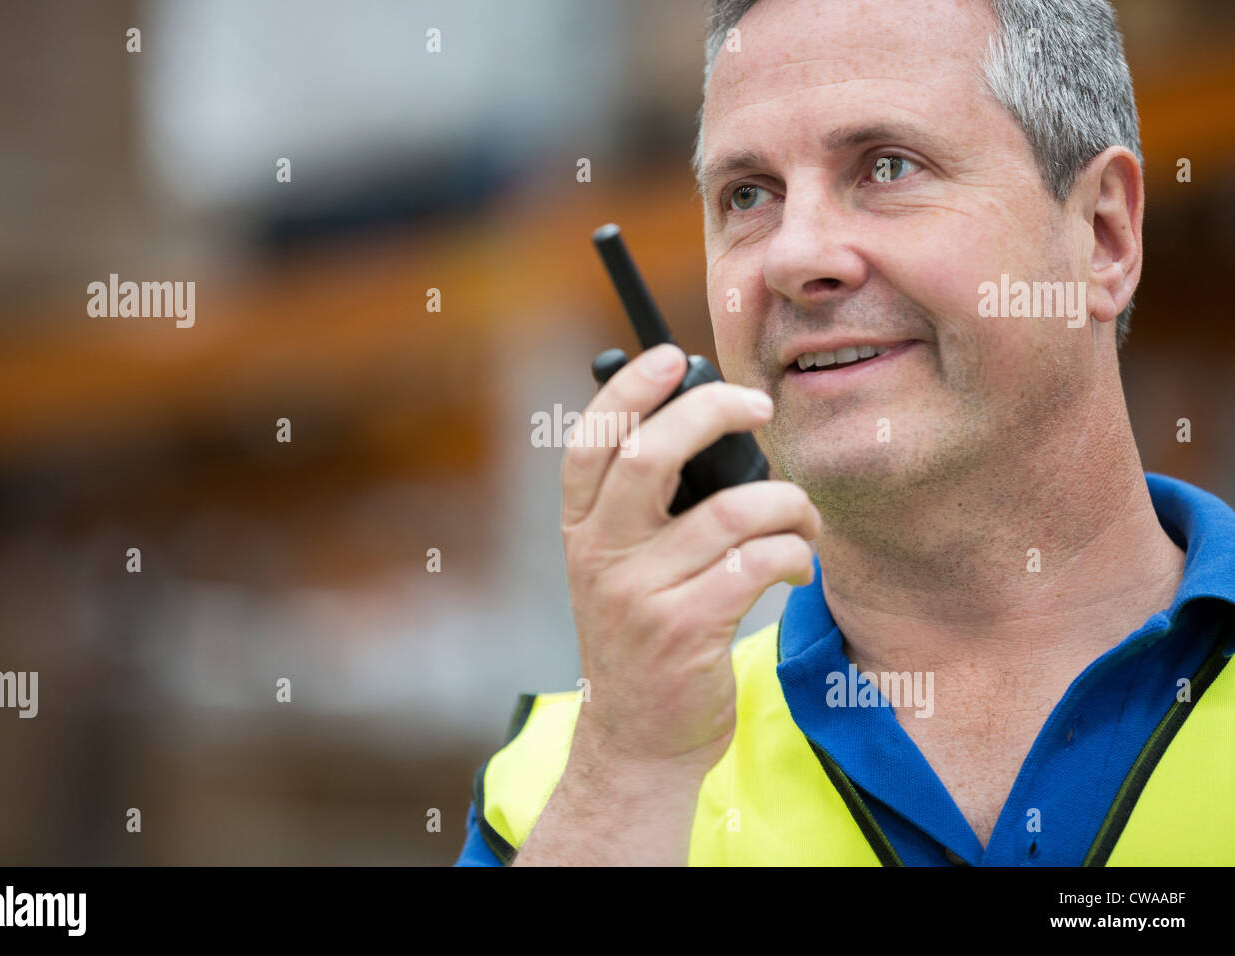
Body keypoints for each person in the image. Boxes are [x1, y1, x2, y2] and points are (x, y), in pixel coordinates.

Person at [455, 0, 1235, 866]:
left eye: (887, 168)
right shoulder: (559, 793)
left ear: (1102, 236)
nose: (795, 257)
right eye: (748, 196)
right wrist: (633, 772)